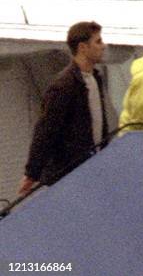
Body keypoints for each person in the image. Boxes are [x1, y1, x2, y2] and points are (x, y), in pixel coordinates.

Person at [19, 21, 108, 196]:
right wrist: (32, 173)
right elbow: (46, 130)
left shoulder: (95, 78)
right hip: (70, 172)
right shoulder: (63, 85)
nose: (103, 46)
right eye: (98, 41)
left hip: (92, 166)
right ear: (83, 47)